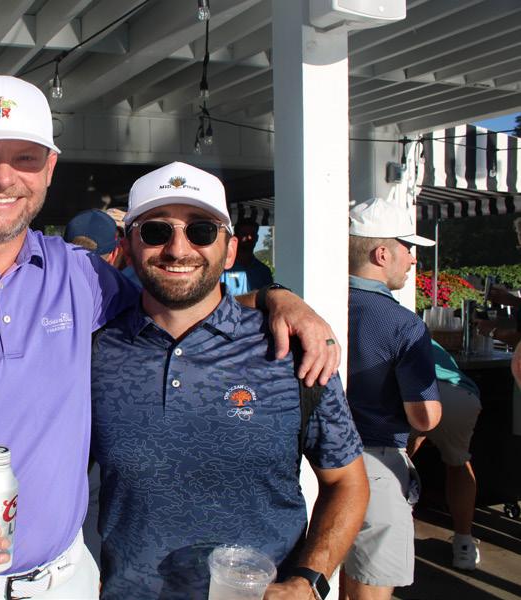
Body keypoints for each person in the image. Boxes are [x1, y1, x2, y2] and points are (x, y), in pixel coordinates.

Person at [0, 75, 340, 600]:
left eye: (25, 159)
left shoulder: (79, 274)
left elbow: (179, 296)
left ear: (49, 168)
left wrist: (276, 299)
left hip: (63, 579)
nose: (4, 178)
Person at [90, 162, 368, 600]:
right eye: (156, 231)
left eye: (201, 231)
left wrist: (308, 581)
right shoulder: (95, 353)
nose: (178, 249)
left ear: (231, 249)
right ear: (127, 246)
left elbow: (347, 482)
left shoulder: (290, 351)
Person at [343, 198, 443, 600]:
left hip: (313, 461)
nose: (413, 259)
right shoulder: (403, 323)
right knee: (369, 586)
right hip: (374, 467)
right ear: (382, 254)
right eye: (409, 248)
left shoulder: (310, 305)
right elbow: (425, 417)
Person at [407, 340, 481, 570]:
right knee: (458, 462)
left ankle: (400, 533)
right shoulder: (426, 338)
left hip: (416, 394)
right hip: (459, 396)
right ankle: (464, 545)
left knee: (395, 461)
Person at [219, 217, 273, 295]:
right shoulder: (222, 269)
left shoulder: (263, 271)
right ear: (235, 238)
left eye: (252, 235)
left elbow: (269, 298)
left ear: (257, 238)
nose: (249, 238)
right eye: (244, 234)